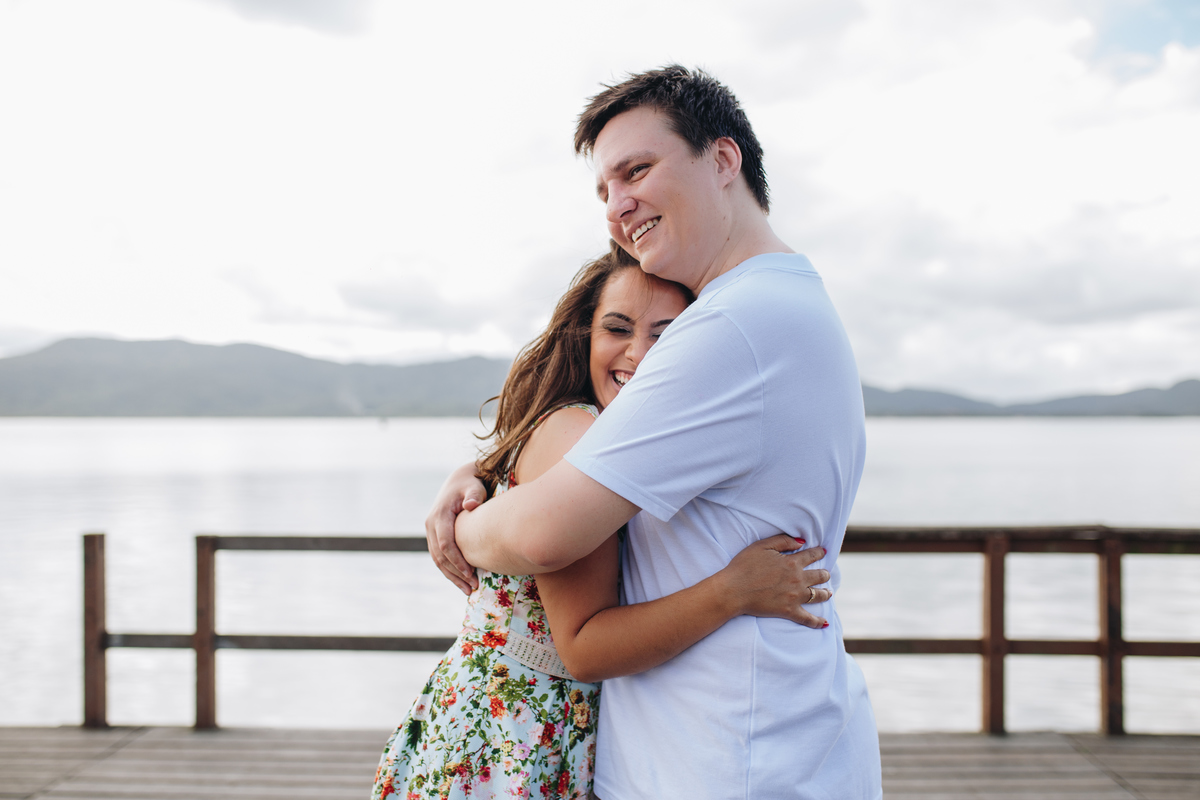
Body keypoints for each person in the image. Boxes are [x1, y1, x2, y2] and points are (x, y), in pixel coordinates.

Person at [427, 65, 883, 799]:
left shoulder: (733, 326)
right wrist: (481, 473)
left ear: (723, 160)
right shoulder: (783, 307)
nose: (618, 205)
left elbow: (543, 534)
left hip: (726, 760)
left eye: (636, 171)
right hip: (766, 740)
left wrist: (461, 528)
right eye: (604, 190)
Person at [374, 243, 833, 800]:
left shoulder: (589, 432)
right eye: (617, 329)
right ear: (584, 339)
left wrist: (468, 473)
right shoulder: (581, 433)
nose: (639, 353)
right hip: (511, 737)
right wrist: (733, 592)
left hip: (509, 726)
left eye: (666, 335)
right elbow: (583, 648)